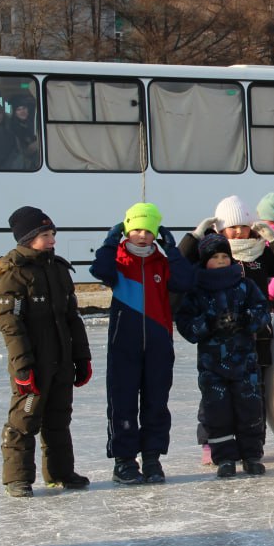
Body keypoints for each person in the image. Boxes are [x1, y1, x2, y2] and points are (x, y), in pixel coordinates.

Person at [181, 194, 274, 460]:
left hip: (255, 335)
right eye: (231, 226)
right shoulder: (213, 254)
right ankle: (212, 441)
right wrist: (195, 237)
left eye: (242, 225)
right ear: (220, 229)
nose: (238, 231)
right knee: (215, 390)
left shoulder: (260, 252)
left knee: (254, 392)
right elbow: (179, 265)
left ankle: (252, 443)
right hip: (217, 339)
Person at [0, 206, 92, 497]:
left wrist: (82, 357)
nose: (52, 240)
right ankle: (17, 478)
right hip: (33, 364)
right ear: (27, 238)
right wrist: (23, 367)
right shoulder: (14, 275)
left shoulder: (58, 270)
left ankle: (60, 472)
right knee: (25, 418)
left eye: (53, 234)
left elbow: (72, 318)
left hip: (62, 361)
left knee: (59, 418)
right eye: (45, 235)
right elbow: (11, 326)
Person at [89, 202, 194, 485]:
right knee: (122, 402)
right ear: (125, 230)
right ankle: (124, 461)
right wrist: (111, 242)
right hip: (124, 343)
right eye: (135, 229)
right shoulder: (119, 261)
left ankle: (151, 458)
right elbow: (99, 270)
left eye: (148, 230)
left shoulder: (162, 261)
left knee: (156, 402)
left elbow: (185, 281)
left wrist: (172, 250)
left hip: (159, 344)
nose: (142, 235)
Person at [175, 235, 272, 477]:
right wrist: (209, 323)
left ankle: (251, 455)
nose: (220, 261)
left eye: (224, 256)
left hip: (245, 364)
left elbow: (262, 311)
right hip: (212, 367)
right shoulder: (197, 291)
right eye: (214, 257)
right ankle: (225, 458)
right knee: (217, 412)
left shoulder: (244, 285)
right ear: (204, 261)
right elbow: (186, 325)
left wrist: (244, 319)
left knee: (250, 409)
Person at [7, 94, 40, 169]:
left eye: (24, 108)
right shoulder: (12, 128)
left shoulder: (35, 123)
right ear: (14, 112)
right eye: (18, 109)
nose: (22, 112)